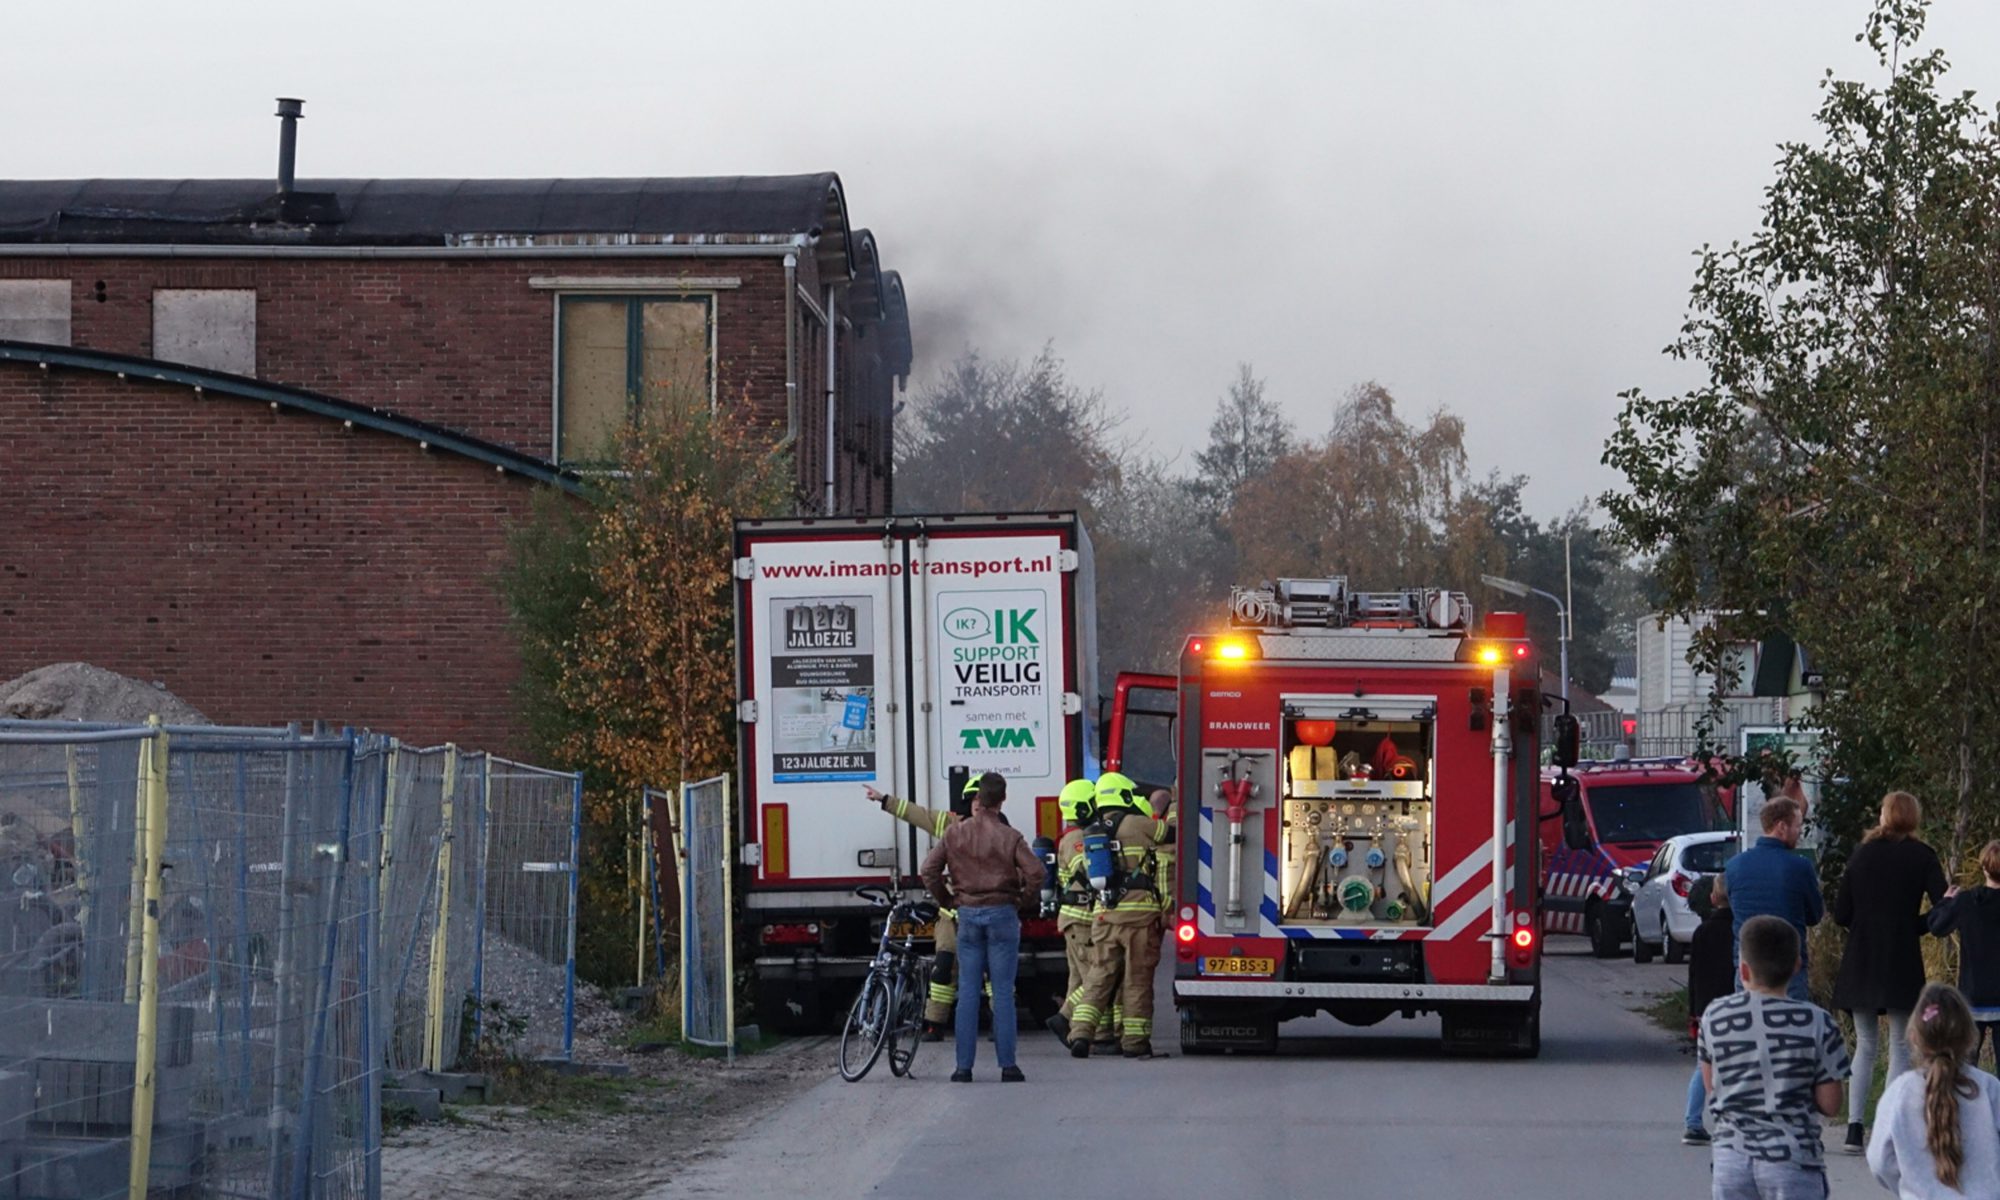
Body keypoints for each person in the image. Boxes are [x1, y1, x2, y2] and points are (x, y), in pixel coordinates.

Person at [1698, 914, 1849, 1199]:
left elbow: (1712, 1088)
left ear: (1743, 970)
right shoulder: (1818, 1022)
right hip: (1793, 1159)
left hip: (1731, 1157)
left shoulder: (1715, 1016)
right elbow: (1830, 1104)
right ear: (1797, 966)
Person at [1831, 791, 1948, 1154]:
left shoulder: (1862, 856)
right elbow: (1942, 907)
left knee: (1865, 1045)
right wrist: (1914, 925)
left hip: (1862, 957)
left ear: (1884, 816)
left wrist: (1868, 926)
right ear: (1913, 818)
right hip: (1901, 959)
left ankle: (1853, 1128)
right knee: (1899, 1045)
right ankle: (1887, 1126)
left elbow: (1840, 913)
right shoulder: (1922, 857)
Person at [919, 772, 1043, 1083]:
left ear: (977, 799)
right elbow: (1037, 873)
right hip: (1002, 913)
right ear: (1001, 800)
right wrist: (1023, 900)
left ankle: (963, 1068)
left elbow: (928, 870)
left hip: (968, 914)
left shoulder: (954, 834)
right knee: (1002, 991)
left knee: (968, 992)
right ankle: (1008, 1066)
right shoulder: (1010, 836)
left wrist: (947, 900)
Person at [1064, 772, 1173, 1059]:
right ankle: (1135, 1043)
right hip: (1139, 918)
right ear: (1125, 795)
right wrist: (1170, 807)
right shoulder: (1139, 824)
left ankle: (1080, 1033)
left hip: (1104, 917)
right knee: (1136, 980)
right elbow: (1171, 835)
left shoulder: (1093, 831)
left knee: (1099, 977)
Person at [864, 777, 975, 1038]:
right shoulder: (954, 826)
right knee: (943, 966)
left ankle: (998, 1020)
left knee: (990, 972)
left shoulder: (999, 831)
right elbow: (920, 815)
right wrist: (885, 800)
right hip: (952, 915)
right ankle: (934, 1022)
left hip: (981, 913)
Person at [1865, 982, 2000, 1198]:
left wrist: (1907, 1184)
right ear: (1969, 1036)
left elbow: (1879, 1161)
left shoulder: (1900, 1092)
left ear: (1914, 1036)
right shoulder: (1990, 1089)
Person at [1724, 795, 1823, 1002]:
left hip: (1747, 965)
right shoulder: (1800, 867)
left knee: (1748, 1029)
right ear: (1781, 827)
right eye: (1797, 825)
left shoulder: (1734, 866)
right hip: (1788, 967)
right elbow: (1814, 916)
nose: (1799, 832)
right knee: (1791, 1029)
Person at [1926, 839, 2000, 1069]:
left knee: (1966, 1069)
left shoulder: (1966, 901)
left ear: (1984, 867)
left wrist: (1944, 902)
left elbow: (1936, 926)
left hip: (1972, 996)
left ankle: (1969, 1106)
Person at [1046, 777, 1103, 1046]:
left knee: (1077, 978)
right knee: (1097, 975)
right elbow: (1089, 872)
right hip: (1082, 920)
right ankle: (1066, 1018)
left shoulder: (1069, 837)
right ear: (1084, 808)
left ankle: (1070, 1030)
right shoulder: (1079, 838)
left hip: (1072, 920)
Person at [1683, 872, 1735, 1146]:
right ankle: (1729, 1120)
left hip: (1707, 1008)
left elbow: (1694, 974)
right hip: (1734, 1005)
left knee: (1703, 1063)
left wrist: (1693, 1009)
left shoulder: (1702, 932)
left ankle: (1693, 1121)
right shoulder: (1740, 930)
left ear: (1712, 899)